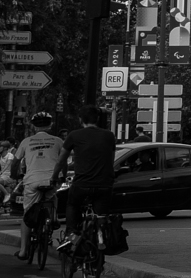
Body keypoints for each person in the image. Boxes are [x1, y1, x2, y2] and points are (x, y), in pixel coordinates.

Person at [51, 106, 117, 249]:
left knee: (72, 205)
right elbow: (110, 160)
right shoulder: (109, 135)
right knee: (101, 214)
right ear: (97, 119)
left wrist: (54, 177)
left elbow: (61, 160)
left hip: (82, 183)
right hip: (104, 184)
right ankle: (101, 234)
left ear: (80, 119)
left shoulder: (74, 135)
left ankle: (71, 235)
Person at [13, 113, 64, 259]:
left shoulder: (26, 141)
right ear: (50, 125)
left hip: (32, 181)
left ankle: (23, 251)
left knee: (27, 214)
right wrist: (62, 176)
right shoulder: (58, 141)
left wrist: (14, 175)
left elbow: (16, 161)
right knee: (53, 198)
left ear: (34, 126)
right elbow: (63, 161)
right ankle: (53, 219)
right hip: (51, 180)